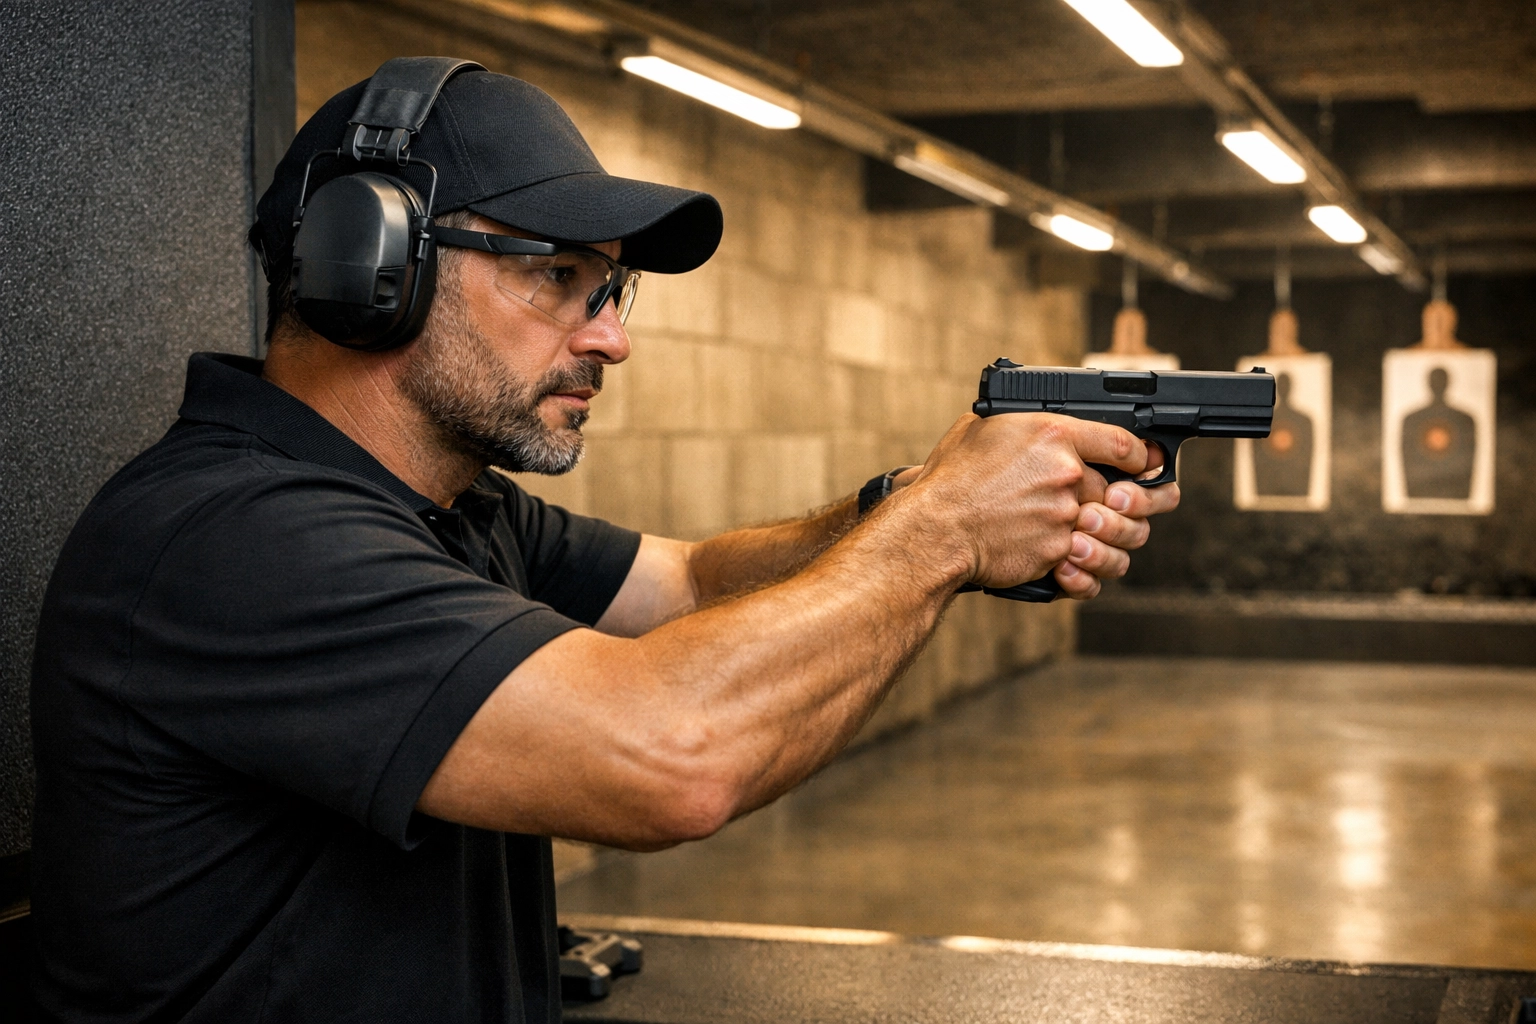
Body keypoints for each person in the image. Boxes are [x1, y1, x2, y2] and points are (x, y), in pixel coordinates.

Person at [28, 66, 1178, 1023]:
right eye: (557, 276)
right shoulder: (233, 538)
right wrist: (944, 531)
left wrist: (910, 501)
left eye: (609, 287)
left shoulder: (455, 509)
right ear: (369, 264)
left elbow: (687, 583)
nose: (611, 338)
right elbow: (674, 756)